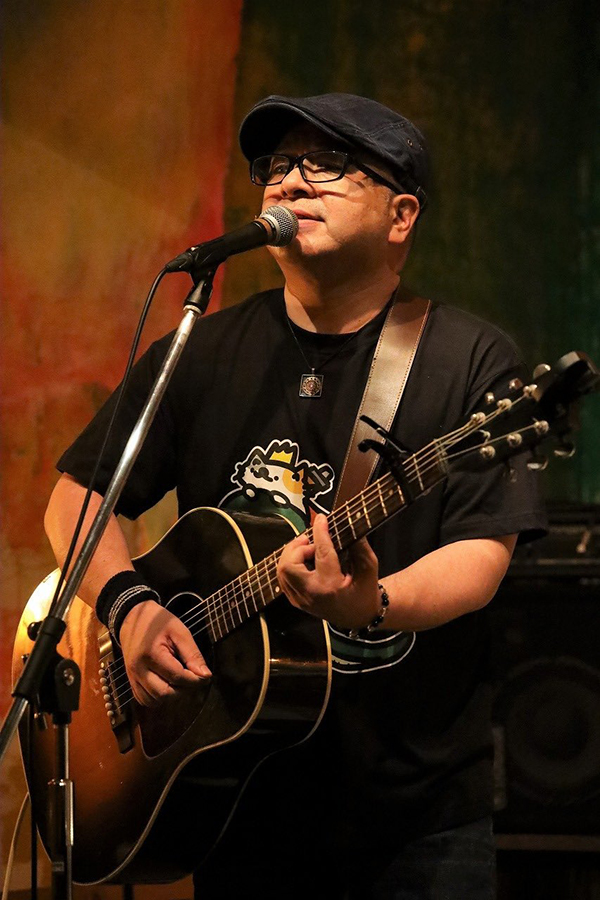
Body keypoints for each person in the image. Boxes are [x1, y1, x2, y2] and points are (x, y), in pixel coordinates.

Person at [44, 93, 545, 898]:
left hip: (413, 820)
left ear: (401, 215)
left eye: (329, 164)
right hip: (231, 799)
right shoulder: (202, 349)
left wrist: (370, 604)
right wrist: (130, 608)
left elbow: (482, 552)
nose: (291, 181)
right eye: (277, 165)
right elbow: (75, 499)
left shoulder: (468, 359)